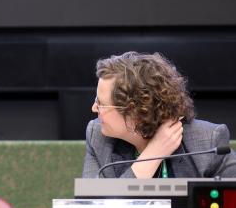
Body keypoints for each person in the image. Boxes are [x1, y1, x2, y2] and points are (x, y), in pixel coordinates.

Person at [83, 51, 236, 178]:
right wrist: (152, 155)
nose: (94, 108)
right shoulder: (98, 138)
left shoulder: (208, 141)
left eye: (101, 104)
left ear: (136, 113)